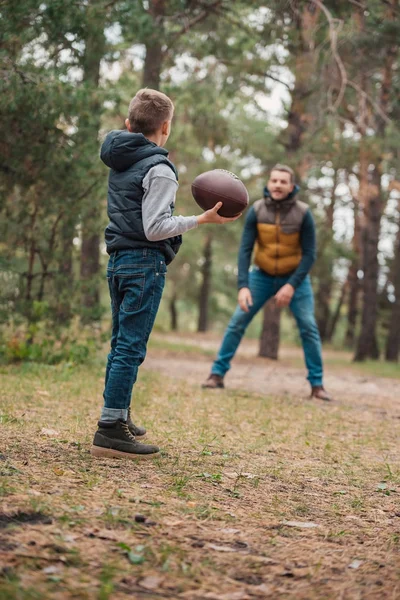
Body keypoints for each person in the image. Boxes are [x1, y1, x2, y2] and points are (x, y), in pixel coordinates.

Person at [91, 88, 240, 460]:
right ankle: (110, 428)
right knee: (130, 346)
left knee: (121, 343)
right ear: (166, 127)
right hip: (144, 263)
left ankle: (118, 413)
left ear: (129, 124)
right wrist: (201, 219)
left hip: (119, 259)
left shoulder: (121, 160)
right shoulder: (159, 168)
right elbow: (156, 227)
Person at [202, 164, 332, 402]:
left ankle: (317, 385)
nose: (278, 185)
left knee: (308, 327)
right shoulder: (257, 210)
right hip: (260, 276)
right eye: (274, 181)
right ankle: (216, 374)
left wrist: (291, 285)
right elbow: (245, 249)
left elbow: (310, 254)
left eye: (283, 182)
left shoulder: (304, 213)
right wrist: (243, 286)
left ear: (291, 186)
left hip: (295, 279)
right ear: (269, 183)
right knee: (237, 322)